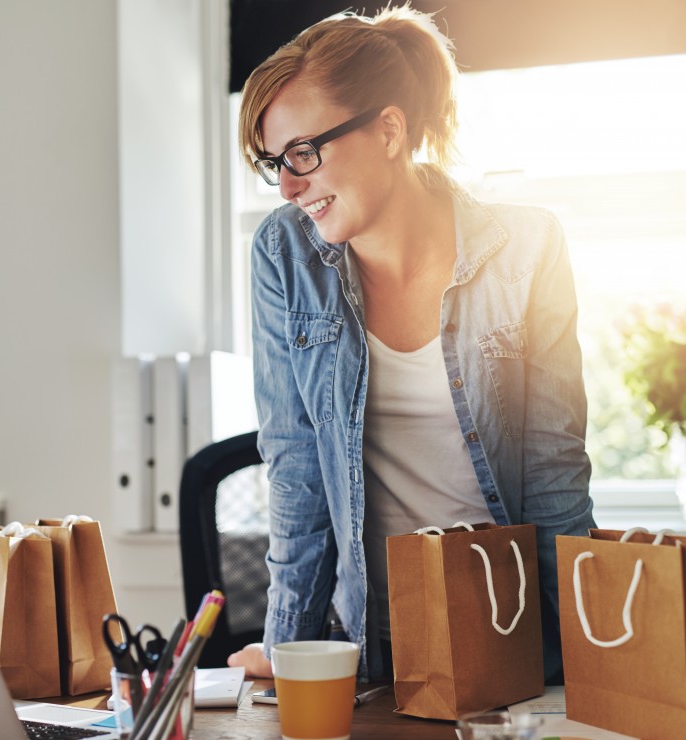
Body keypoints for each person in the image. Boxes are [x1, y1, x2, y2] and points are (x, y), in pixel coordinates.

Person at [227, 4, 595, 683]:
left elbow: (552, 476)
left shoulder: (527, 248)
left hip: (507, 631)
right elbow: (297, 468)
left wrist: (595, 663)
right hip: (369, 642)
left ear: (389, 130)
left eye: (305, 153)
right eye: (274, 161)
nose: (287, 184)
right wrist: (289, 652)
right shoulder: (284, 254)